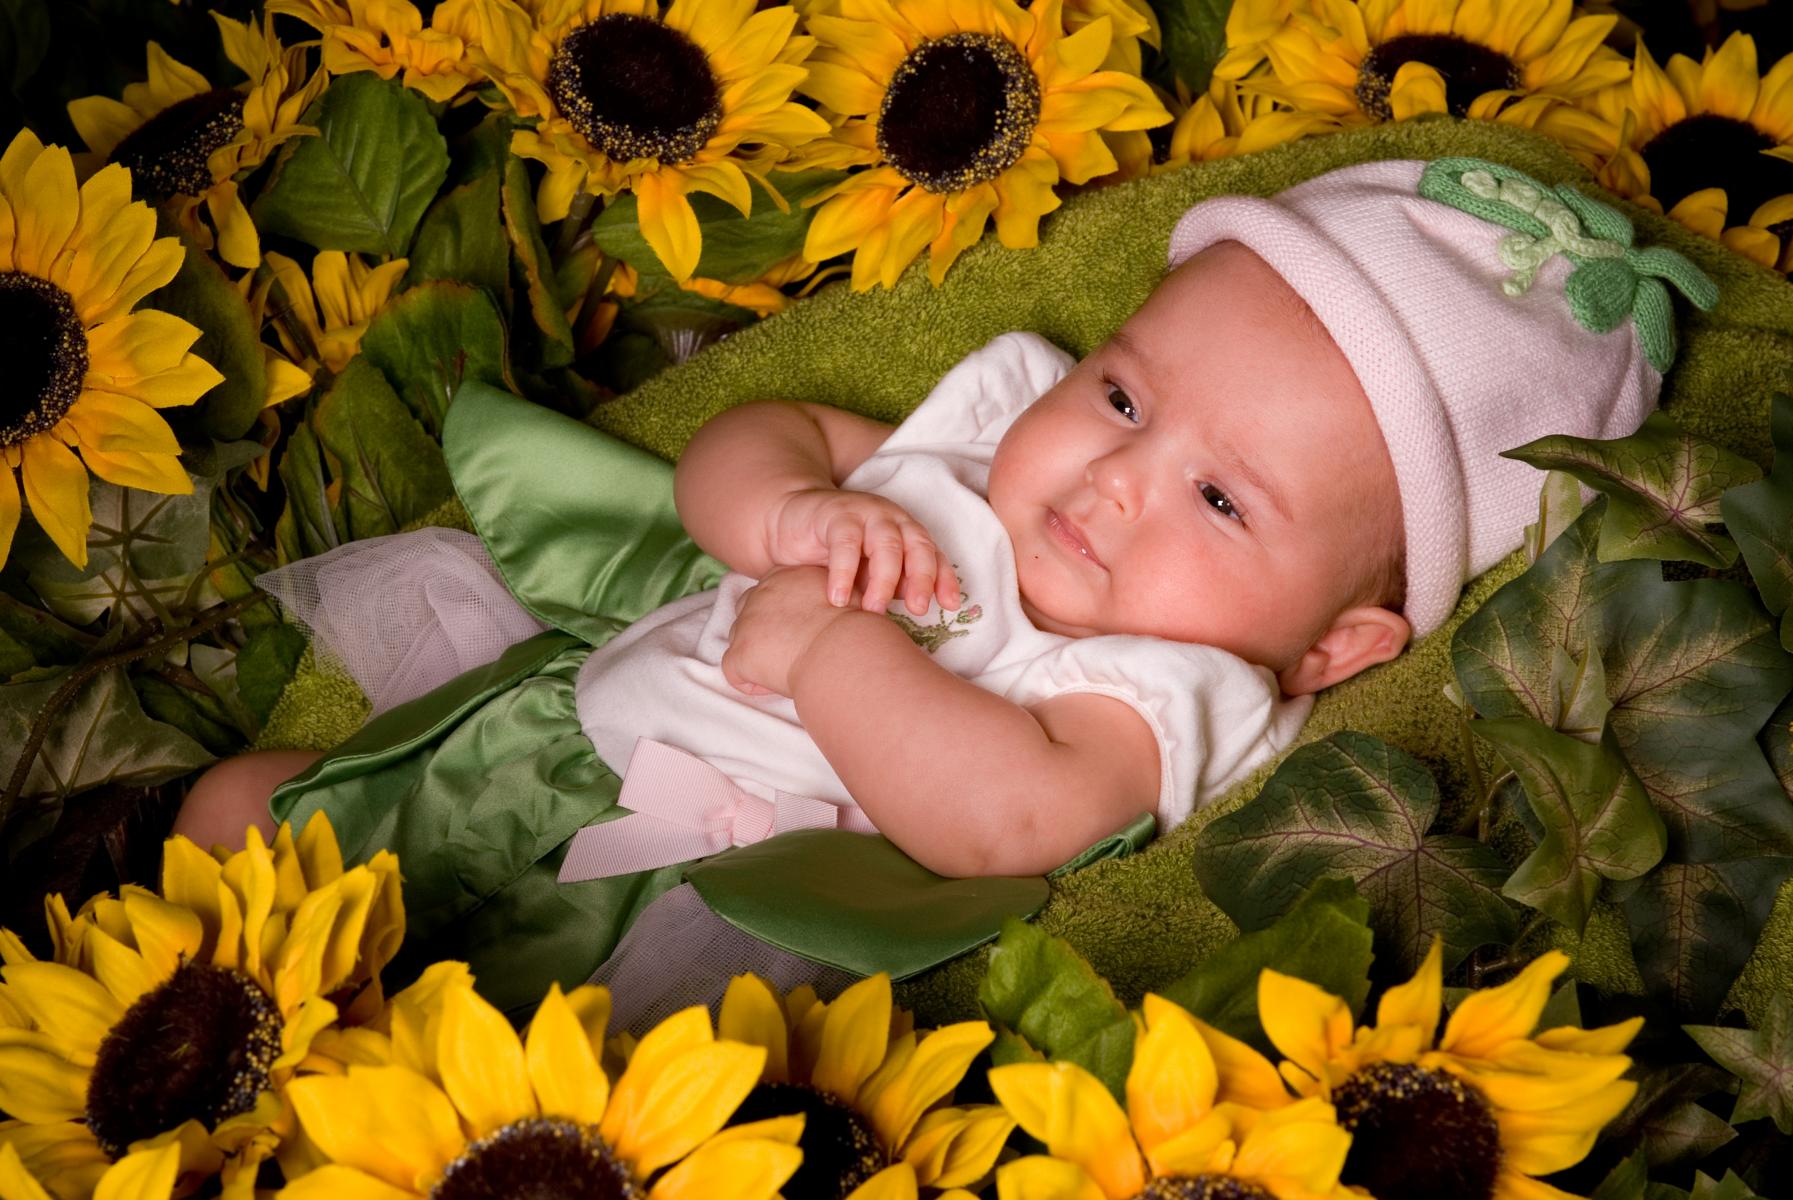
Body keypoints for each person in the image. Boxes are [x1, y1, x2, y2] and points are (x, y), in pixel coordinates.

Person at [172, 156, 1712, 1001]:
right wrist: (778, 516)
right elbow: (753, 437)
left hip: (678, 889)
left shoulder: (1170, 687)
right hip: (539, 740)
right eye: (1123, 395)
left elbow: (1006, 818)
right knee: (243, 814)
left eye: (1220, 497)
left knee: (471, 1054)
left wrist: (833, 648)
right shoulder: (986, 445)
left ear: (1335, 644)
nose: (1113, 476)